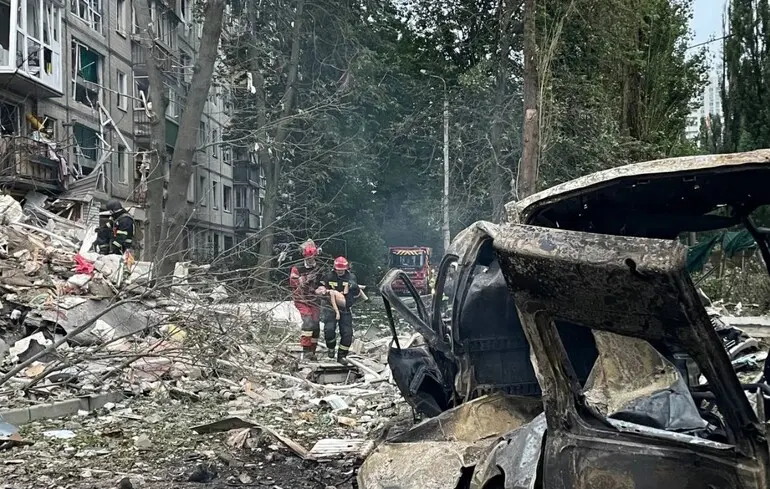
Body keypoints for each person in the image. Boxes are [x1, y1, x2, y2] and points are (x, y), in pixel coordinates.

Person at [320, 256, 361, 363]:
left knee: (347, 333)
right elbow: (322, 289)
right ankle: (331, 347)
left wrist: (354, 287)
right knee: (329, 329)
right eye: (338, 269)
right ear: (335, 268)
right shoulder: (329, 276)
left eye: (342, 269)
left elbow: (356, 294)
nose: (340, 271)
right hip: (330, 307)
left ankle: (341, 356)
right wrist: (323, 291)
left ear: (346, 268)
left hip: (345, 308)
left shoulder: (351, 277)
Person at [289, 240, 322, 360]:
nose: (310, 261)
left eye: (312, 258)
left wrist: (322, 288)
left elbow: (323, 281)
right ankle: (306, 350)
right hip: (301, 299)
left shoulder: (319, 267)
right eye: (308, 259)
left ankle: (313, 350)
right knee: (308, 322)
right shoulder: (297, 268)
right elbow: (293, 283)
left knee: (316, 325)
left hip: (315, 299)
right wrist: (305, 279)